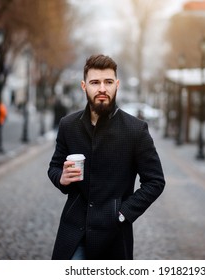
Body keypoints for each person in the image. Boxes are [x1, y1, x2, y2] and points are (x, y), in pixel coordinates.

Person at [47, 54, 165, 260]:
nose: (102, 88)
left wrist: (123, 213)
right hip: (74, 229)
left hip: (114, 235)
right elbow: (54, 167)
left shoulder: (136, 130)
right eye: (95, 82)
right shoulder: (68, 125)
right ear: (84, 86)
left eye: (108, 82)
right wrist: (61, 178)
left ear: (116, 85)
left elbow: (155, 181)